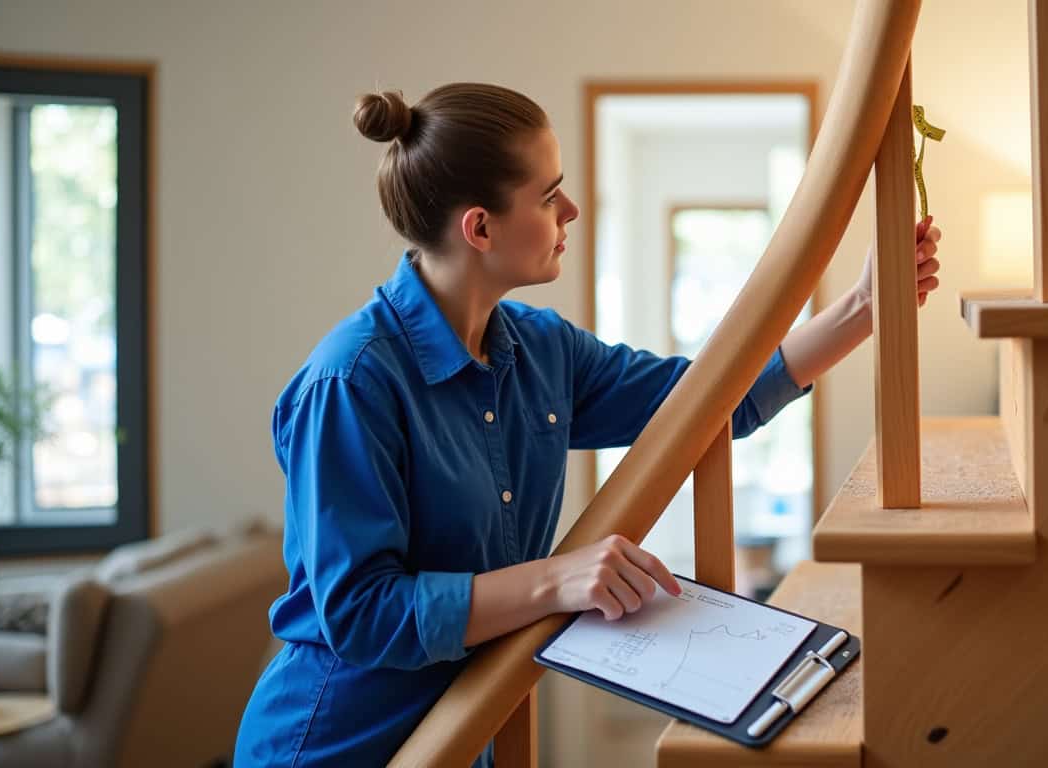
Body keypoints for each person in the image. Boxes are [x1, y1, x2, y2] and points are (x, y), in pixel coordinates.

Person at [234, 83, 942, 767]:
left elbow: (703, 401)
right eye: (548, 196)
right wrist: (557, 581)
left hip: (462, 725)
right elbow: (361, 614)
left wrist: (862, 308)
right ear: (479, 227)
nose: (570, 208)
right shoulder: (351, 382)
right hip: (335, 746)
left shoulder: (542, 351)